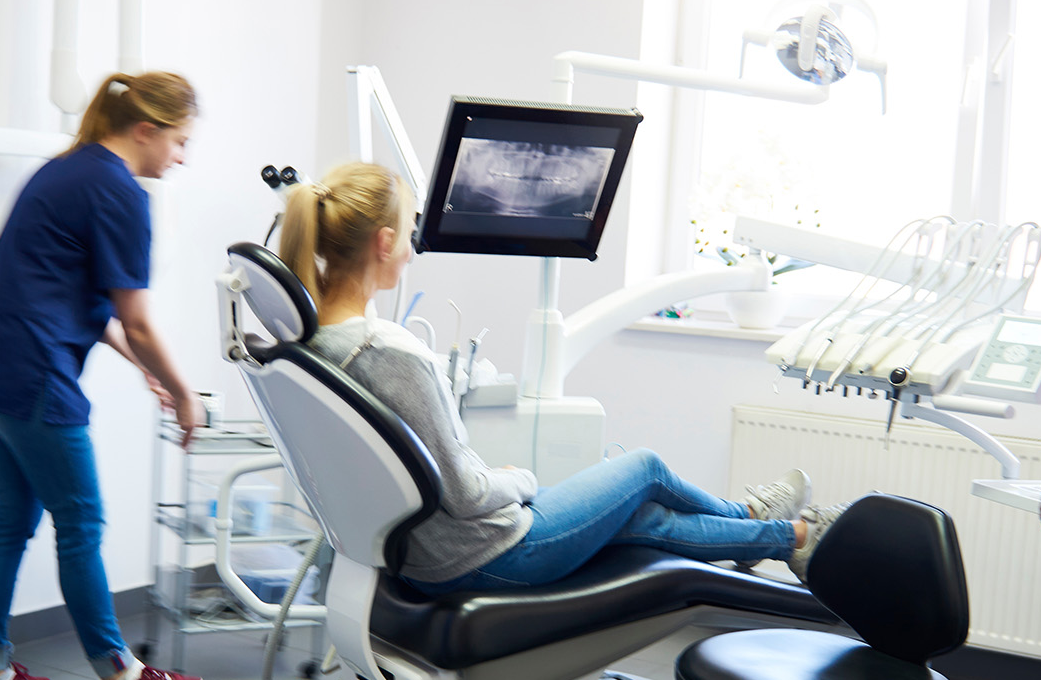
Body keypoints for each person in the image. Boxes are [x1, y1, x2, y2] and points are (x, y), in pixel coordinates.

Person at [277, 162, 853, 595]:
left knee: (642, 515)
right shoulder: (389, 352)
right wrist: (520, 479)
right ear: (382, 242)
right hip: (486, 553)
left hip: (433, 547)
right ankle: (757, 518)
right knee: (645, 468)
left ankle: (789, 538)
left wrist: (490, 480)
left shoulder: (314, 345)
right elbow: (468, 493)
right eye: (406, 233)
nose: (411, 249)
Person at [0, 73, 204, 680]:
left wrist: (143, 372)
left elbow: (72, 294)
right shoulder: (120, 192)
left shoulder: (67, 167)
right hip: (30, 372)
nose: (182, 157)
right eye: (180, 141)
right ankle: (121, 671)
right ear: (145, 131)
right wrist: (184, 394)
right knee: (81, 522)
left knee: (12, 518)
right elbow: (135, 319)